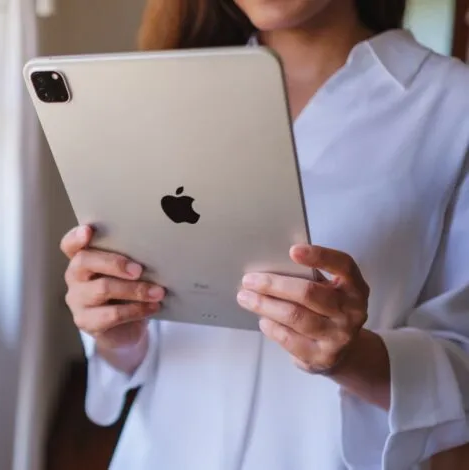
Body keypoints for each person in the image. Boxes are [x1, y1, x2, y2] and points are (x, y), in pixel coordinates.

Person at [60, 0, 469, 468]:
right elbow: (139, 351)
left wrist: (354, 357)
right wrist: (113, 329)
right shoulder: (167, 91)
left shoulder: (454, 105)